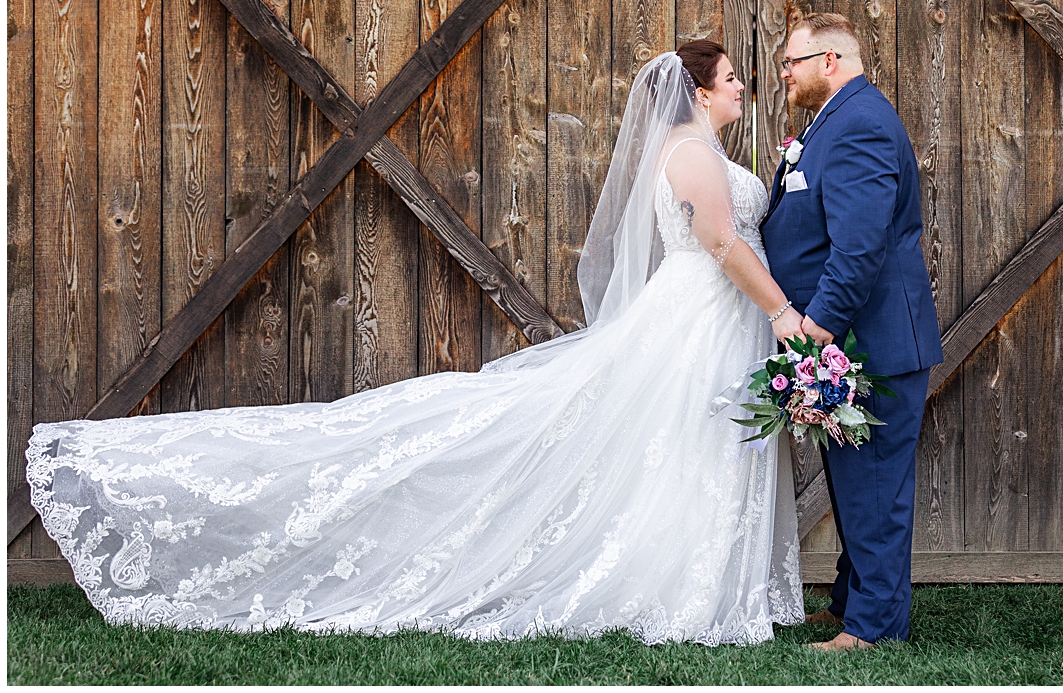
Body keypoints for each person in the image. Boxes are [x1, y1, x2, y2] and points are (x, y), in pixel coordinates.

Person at [26, 43, 803, 644]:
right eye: (734, 76)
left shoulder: (695, 151)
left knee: (687, 446)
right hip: (702, 313)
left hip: (705, 317)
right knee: (683, 442)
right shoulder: (694, 154)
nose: (744, 87)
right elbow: (724, 246)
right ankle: (684, 588)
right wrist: (780, 311)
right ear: (700, 90)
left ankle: (691, 576)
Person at [761, 13, 943, 651]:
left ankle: (874, 627)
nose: (784, 73)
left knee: (875, 489)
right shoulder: (833, 121)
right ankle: (850, 601)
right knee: (853, 482)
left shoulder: (860, 123)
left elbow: (860, 249)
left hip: (870, 340)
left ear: (830, 61)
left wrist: (815, 330)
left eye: (792, 62)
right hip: (855, 341)